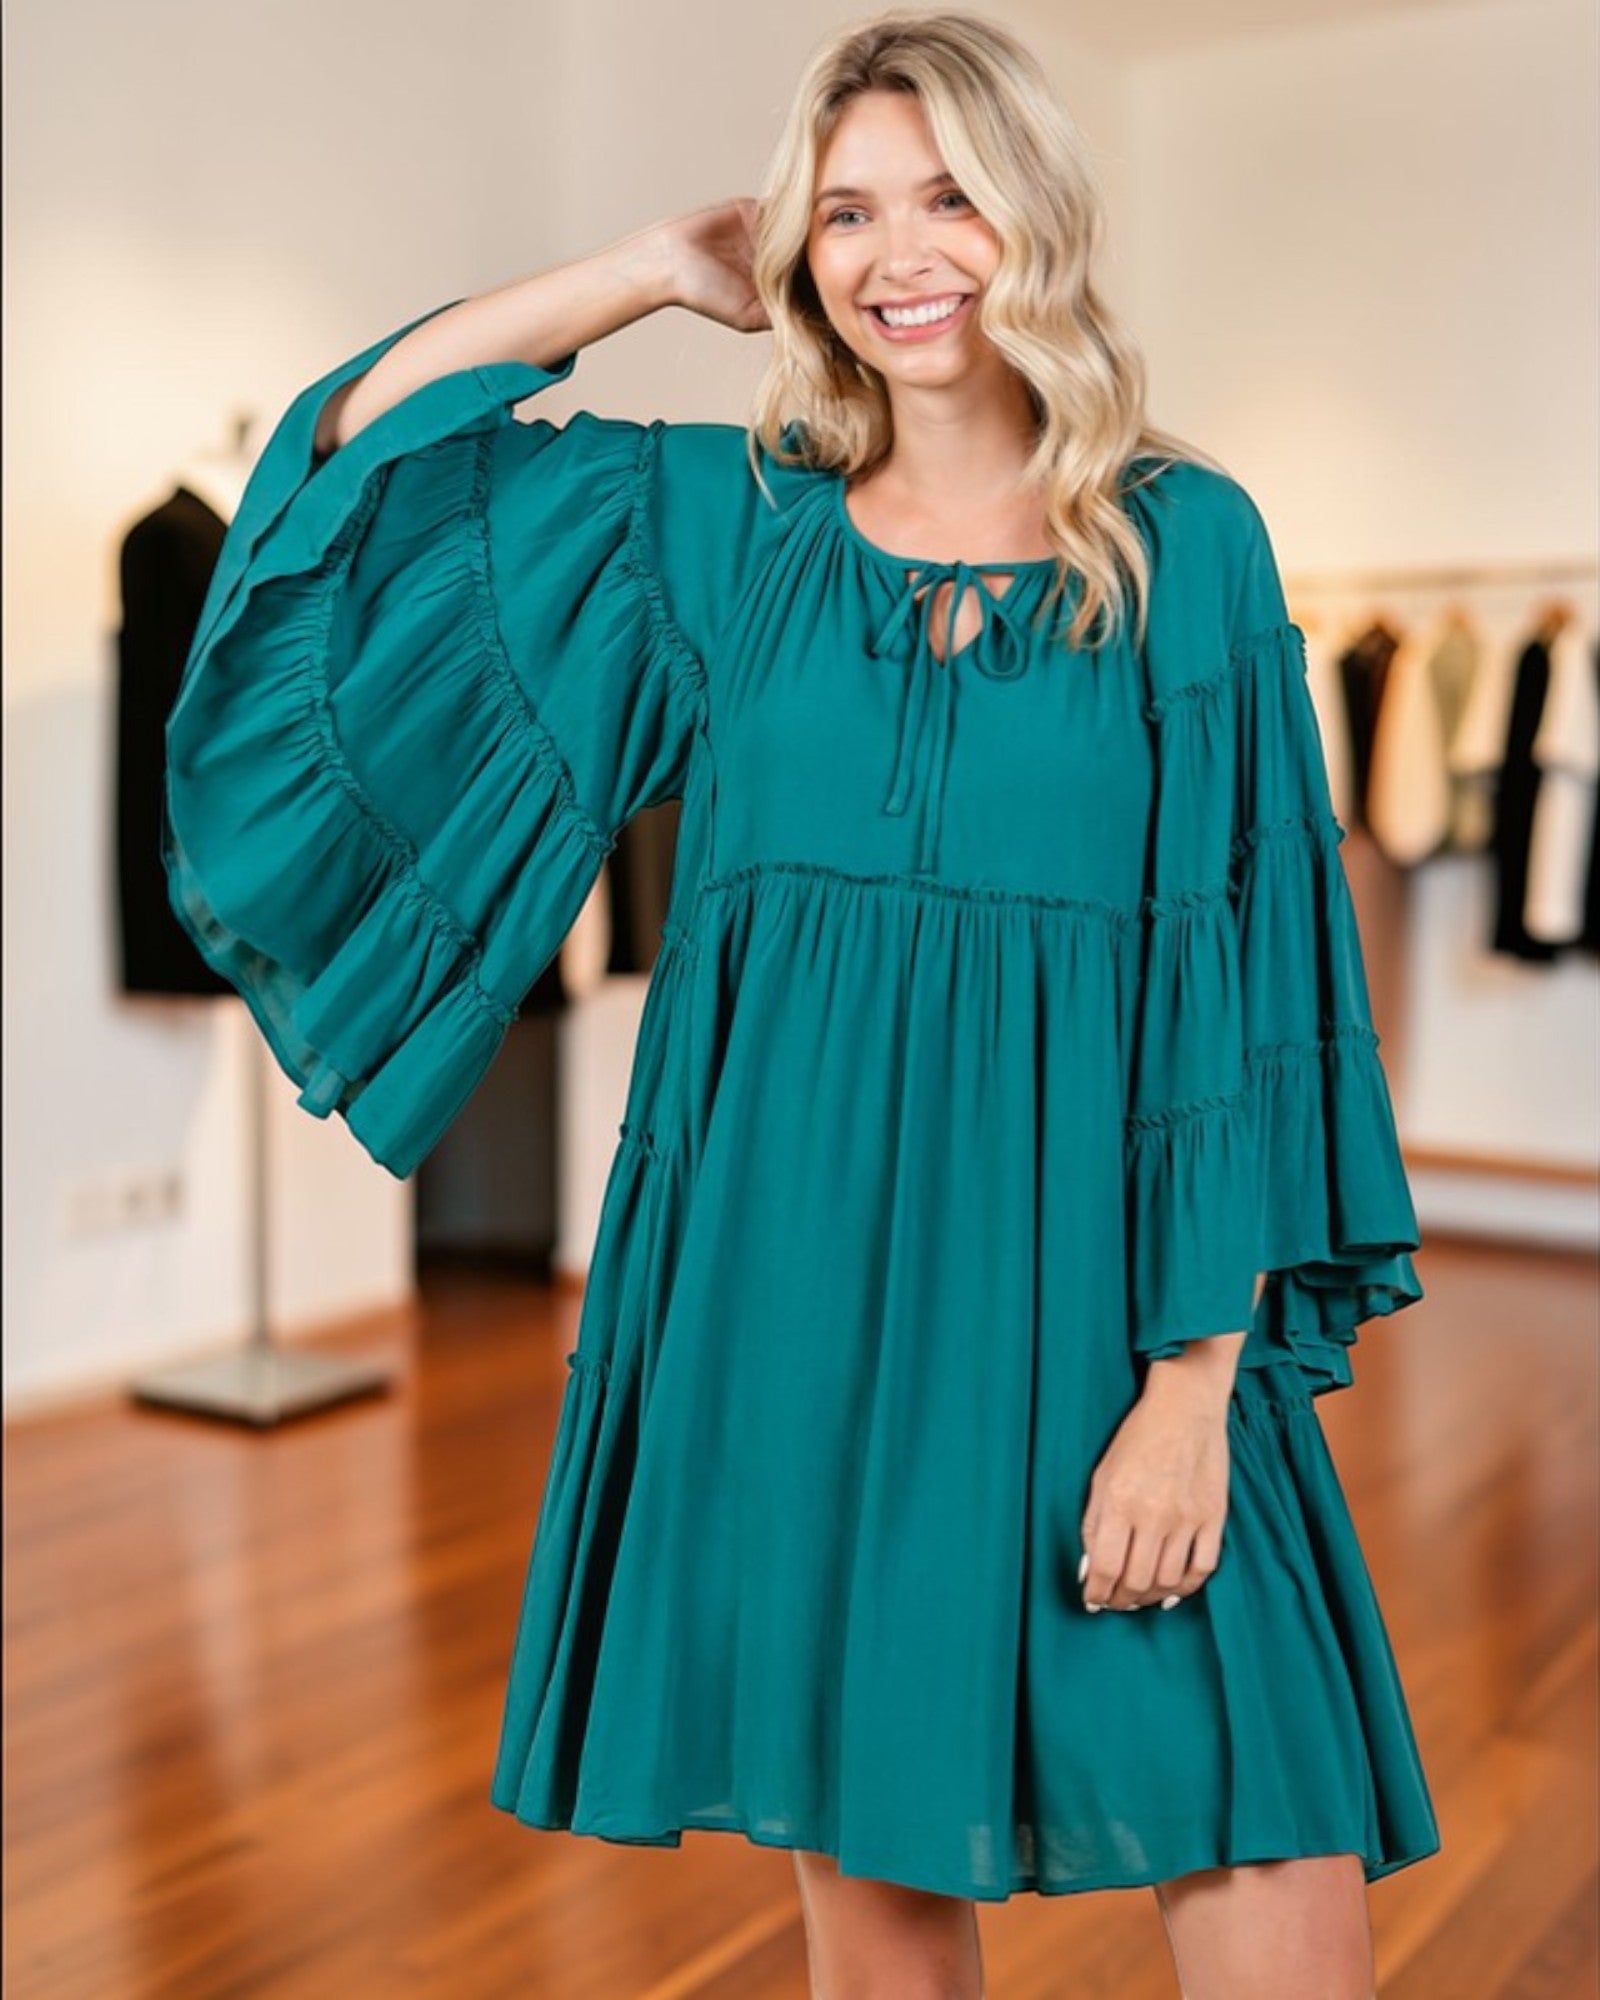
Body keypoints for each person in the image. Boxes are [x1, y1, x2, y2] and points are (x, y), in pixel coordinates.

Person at [163, 12, 1441, 1997]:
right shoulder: (726, 528)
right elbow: (347, 464)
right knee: (870, 1885)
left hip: (1109, 1300)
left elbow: (1249, 969)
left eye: (945, 194)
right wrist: (640, 275)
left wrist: (1193, 1386)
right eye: (843, 209)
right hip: (790, 1297)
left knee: (1267, 1846)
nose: (895, 250)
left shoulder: (1184, 544)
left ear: (1037, 215)